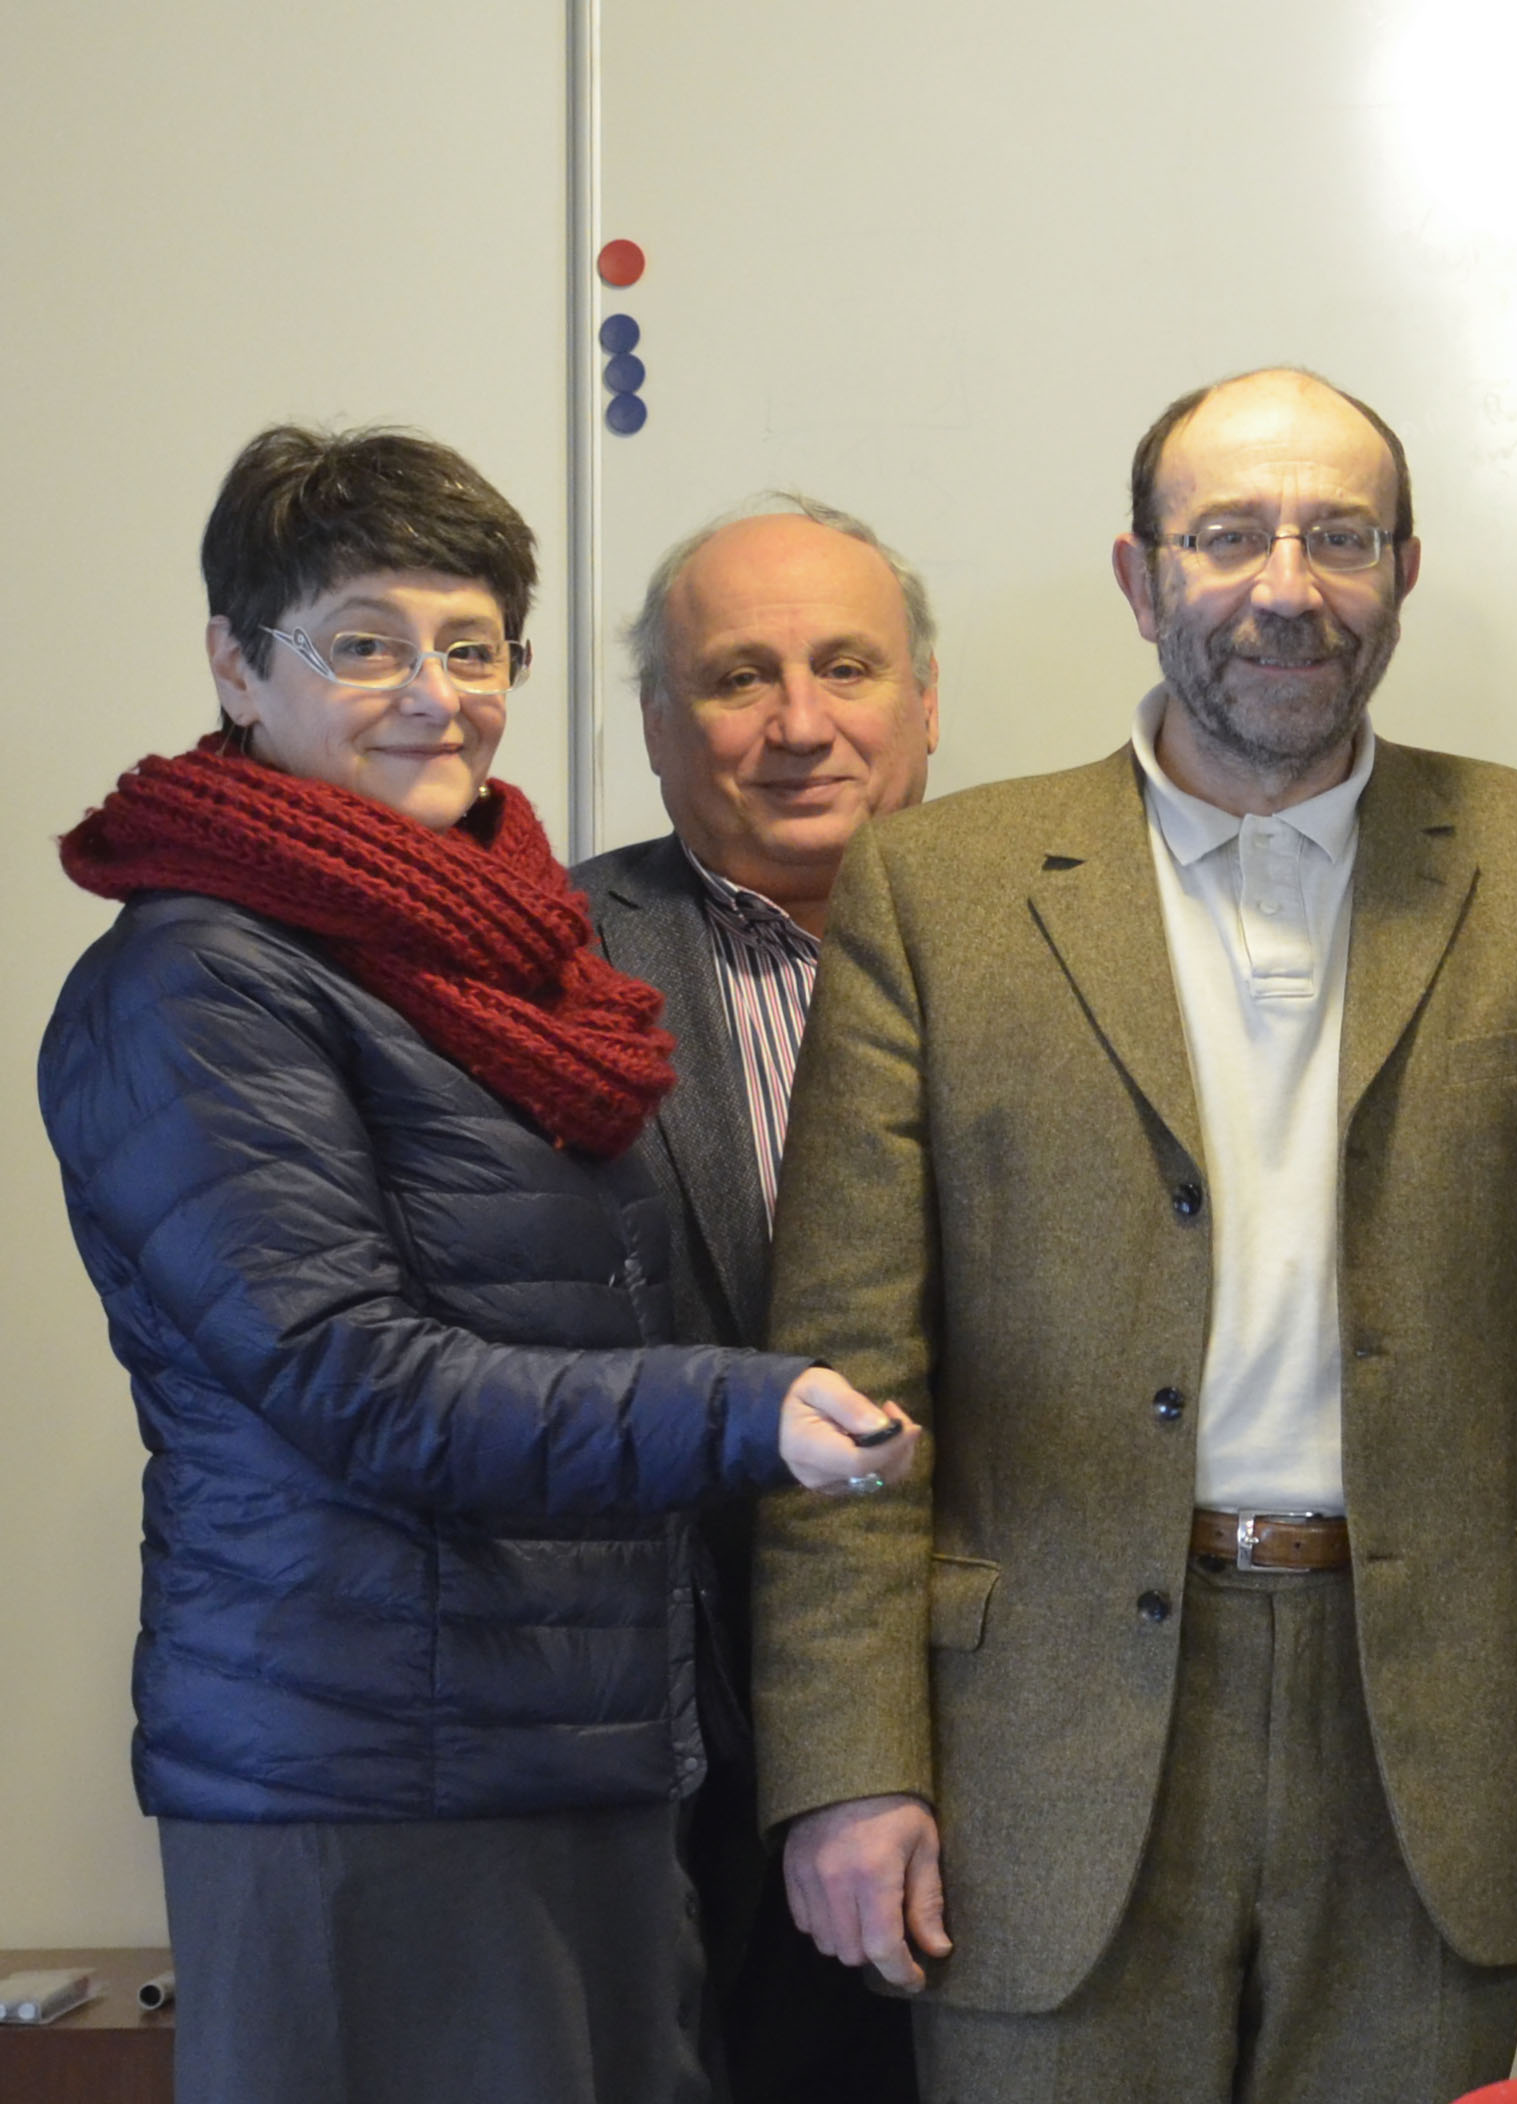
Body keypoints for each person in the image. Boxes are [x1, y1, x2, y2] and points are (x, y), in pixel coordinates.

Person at [755, 367, 1517, 2102]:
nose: (1288, 586)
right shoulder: (939, 889)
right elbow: (847, 1369)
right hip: (1036, 1742)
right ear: (1141, 578)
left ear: (1403, 572)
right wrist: (846, 1763)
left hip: (1434, 1731)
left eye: (1339, 536)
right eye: (1228, 537)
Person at [39, 424, 922, 2104]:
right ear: (237, 663)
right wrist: (745, 1411)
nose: (434, 696)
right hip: (367, 1779)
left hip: (569, 1746)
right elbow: (354, 1379)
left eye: (472, 647)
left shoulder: (499, 960)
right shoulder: (199, 978)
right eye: (364, 645)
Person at [580, 493, 944, 2104]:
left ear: (924, 701)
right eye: (738, 679)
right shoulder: (542, 964)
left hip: (996, 1728)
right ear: (659, 727)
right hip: (666, 1749)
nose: (801, 725)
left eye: (846, 667)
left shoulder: (1063, 937)